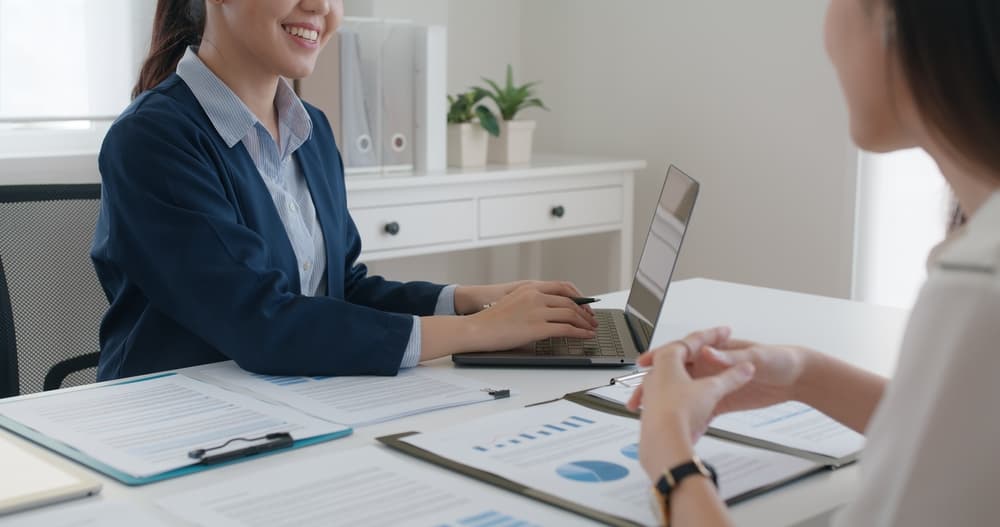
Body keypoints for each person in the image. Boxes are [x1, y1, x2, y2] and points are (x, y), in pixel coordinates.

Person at [629, 0, 1000, 525]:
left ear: (899, 19)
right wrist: (803, 375)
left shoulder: (977, 285)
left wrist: (670, 461)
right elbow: (969, 436)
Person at [90, 0, 598, 381]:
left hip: (287, 401)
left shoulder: (310, 129)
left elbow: (339, 290)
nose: (323, 8)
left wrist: (472, 300)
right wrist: (480, 333)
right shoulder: (152, 140)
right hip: (176, 419)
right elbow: (261, 323)